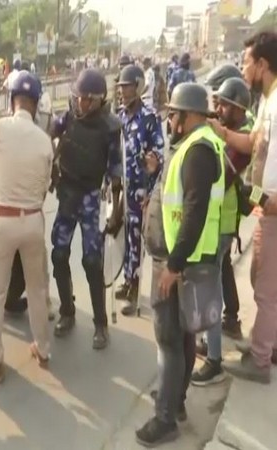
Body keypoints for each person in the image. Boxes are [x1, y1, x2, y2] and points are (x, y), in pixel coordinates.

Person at [138, 82, 225, 447]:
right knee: (183, 336)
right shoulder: (197, 145)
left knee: (169, 341)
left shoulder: (199, 150)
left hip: (177, 263)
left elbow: (193, 212)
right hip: (180, 259)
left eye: (173, 114)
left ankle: (166, 417)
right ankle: (177, 402)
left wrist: (173, 266)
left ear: (188, 115)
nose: (169, 120)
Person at [209, 31, 277, 384]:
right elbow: (251, 142)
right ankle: (268, 342)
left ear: (262, 64)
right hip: (265, 208)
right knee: (259, 280)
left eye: (247, 61)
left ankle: (261, 360)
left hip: (274, 209)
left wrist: (265, 199)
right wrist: (219, 131)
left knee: (266, 290)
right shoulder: (266, 101)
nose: (243, 67)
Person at [0, 71, 52, 384]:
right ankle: (44, 349)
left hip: (4, 220)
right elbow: (45, 185)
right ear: (35, 104)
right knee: (37, 289)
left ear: (12, 101)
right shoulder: (46, 141)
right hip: (33, 221)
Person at [49, 69, 123, 348]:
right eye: (77, 98)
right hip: (67, 193)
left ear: (99, 100)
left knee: (92, 262)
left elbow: (116, 174)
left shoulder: (110, 128)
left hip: (92, 198)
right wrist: (50, 168)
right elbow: (47, 140)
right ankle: (67, 312)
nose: (80, 104)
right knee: (58, 254)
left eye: (86, 100)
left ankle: (100, 324)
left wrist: (116, 212)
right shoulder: (67, 118)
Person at [190, 77, 252, 386]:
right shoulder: (234, 134)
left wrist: (213, 136)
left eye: (224, 105)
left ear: (239, 109)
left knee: (210, 292)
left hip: (222, 225)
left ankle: (214, 361)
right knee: (210, 288)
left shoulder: (241, 141)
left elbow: (222, 174)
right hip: (217, 223)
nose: (218, 109)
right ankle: (210, 343)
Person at [116, 64, 165, 316]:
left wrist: (151, 169)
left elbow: (159, 153)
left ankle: (134, 294)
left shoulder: (149, 117)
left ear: (138, 86)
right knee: (125, 239)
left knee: (136, 240)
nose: (122, 92)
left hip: (141, 191)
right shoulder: (121, 116)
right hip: (123, 189)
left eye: (126, 87)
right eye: (120, 88)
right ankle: (126, 281)